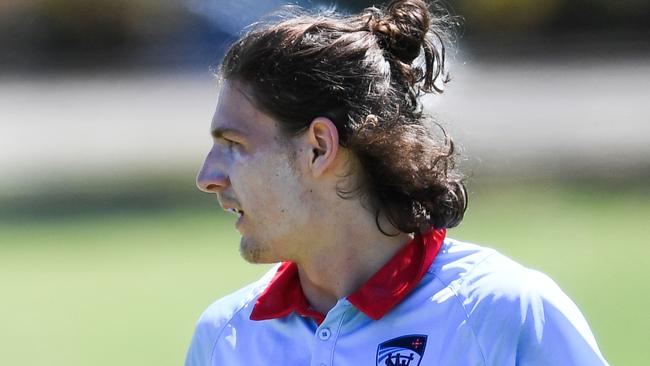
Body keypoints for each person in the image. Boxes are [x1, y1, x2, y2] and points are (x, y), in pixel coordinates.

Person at [185, 0, 609, 364]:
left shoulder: (502, 311)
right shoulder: (225, 337)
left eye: (234, 144)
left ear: (318, 147)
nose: (207, 177)